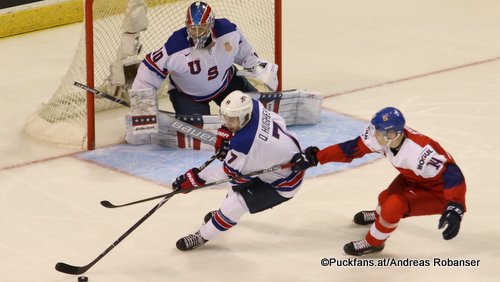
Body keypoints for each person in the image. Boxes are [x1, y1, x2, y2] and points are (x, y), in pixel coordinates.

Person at [292, 107, 467, 256]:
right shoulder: (386, 139)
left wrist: (455, 206)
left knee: (393, 206)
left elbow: (452, 174)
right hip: (414, 179)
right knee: (384, 199)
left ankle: (374, 242)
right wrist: (317, 157)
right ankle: (379, 217)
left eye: (379, 131)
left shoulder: (420, 152)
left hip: (439, 193)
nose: (373, 134)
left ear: (392, 133)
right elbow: (351, 149)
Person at [171, 91, 305, 251]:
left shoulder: (244, 143)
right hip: (286, 157)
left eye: (232, 120)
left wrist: (196, 178)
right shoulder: (254, 105)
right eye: (225, 118)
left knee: (235, 204)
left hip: (284, 182)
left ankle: (202, 235)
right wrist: (226, 133)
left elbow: (225, 174)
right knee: (236, 183)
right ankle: (221, 216)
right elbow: (279, 122)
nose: (227, 122)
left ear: (244, 117)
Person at [131, 1, 278, 117]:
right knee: (198, 134)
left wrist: (257, 67)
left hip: (226, 84)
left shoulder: (228, 32)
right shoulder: (175, 46)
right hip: (188, 96)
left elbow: (245, 53)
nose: (196, 33)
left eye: (200, 28)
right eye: (192, 28)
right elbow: (149, 69)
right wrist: (142, 103)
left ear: (211, 25)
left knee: (256, 113)